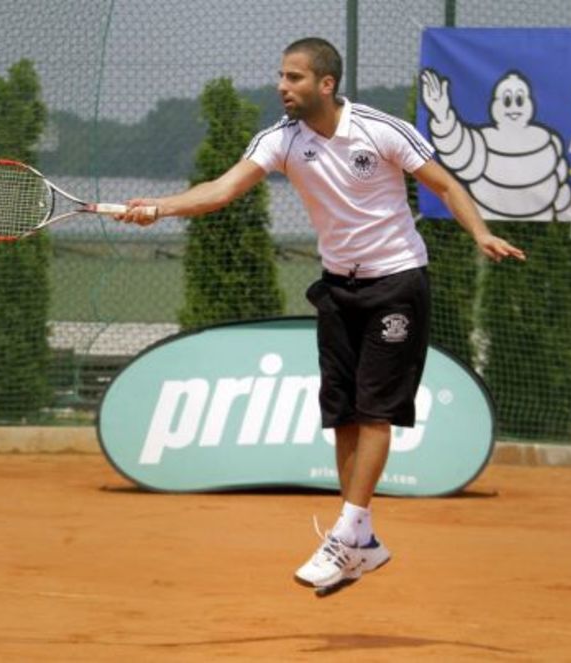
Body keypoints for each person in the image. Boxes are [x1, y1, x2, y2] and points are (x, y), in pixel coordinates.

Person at [117, 37, 526, 595]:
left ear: (325, 84)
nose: (282, 87)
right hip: (338, 289)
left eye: (294, 78)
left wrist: (480, 233)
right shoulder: (280, 140)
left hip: (397, 282)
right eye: (282, 77)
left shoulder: (381, 129)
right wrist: (159, 207)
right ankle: (359, 540)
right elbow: (222, 189)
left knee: (376, 411)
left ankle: (348, 533)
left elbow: (444, 184)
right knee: (343, 416)